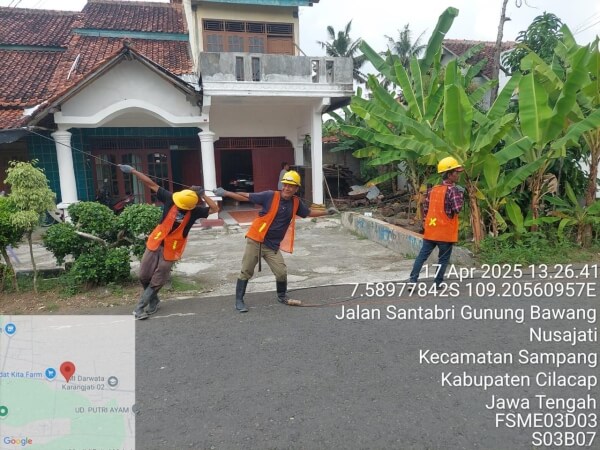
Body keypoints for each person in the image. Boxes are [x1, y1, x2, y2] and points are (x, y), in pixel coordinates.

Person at [214, 170, 337, 312]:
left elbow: (308, 213)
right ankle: (239, 301)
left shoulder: (296, 202)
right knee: (246, 270)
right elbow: (246, 196)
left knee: (281, 272)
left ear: (296, 189)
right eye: (285, 185)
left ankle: (282, 296)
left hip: (272, 245)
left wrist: (326, 212)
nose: (287, 188)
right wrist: (225, 193)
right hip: (256, 240)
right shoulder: (270, 196)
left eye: (291, 186)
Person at [118, 164, 218, 319]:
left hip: (172, 249)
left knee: (158, 279)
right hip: (156, 242)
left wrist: (203, 194)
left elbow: (215, 209)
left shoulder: (194, 211)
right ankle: (154, 300)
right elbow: (151, 184)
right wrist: (133, 171)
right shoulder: (171, 198)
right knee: (143, 275)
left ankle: (139, 308)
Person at [408, 156, 465, 289]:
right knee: (443, 259)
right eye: (456, 172)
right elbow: (457, 209)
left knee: (422, 256)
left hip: (431, 231)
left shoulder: (433, 190)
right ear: (449, 174)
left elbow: (426, 209)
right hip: (445, 233)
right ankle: (437, 283)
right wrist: (461, 195)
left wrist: (426, 224)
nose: (458, 175)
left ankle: (412, 281)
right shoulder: (453, 191)